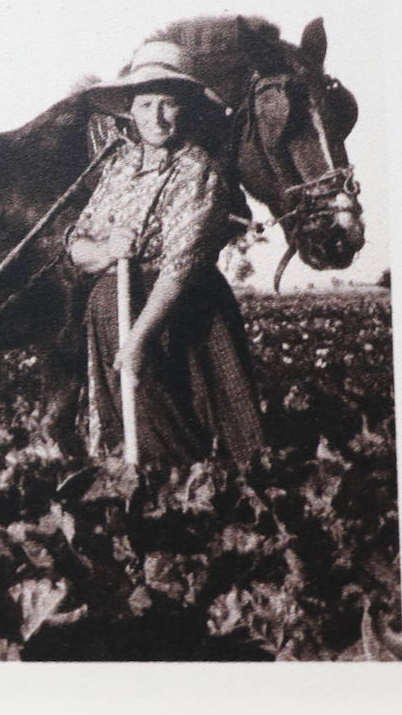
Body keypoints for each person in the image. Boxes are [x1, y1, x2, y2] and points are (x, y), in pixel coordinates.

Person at [67, 41, 264, 467]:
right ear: (130, 112)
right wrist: (104, 251)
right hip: (114, 309)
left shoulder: (197, 169)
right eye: (144, 104)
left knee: (201, 433)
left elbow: (179, 266)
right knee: (133, 418)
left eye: (167, 104)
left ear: (185, 110)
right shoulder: (120, 166)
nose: (155, 117)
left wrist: (138, 340)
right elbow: (76, 243)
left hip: (178, 313)